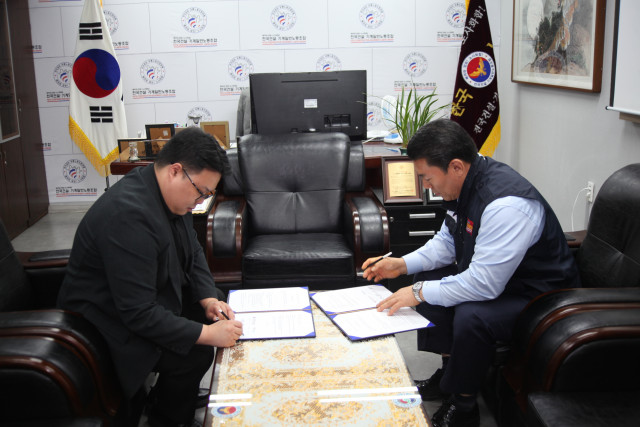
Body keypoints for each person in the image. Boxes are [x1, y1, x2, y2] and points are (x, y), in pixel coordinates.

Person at [362, 119, 580, 427]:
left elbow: (483, 286)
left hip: (540, 295)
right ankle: (448, 375)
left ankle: (463, 405)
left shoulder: (505, 205)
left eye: (427, 177)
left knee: (470, 314)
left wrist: (417, 293)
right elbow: (447, 242)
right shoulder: (465, 184)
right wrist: (402, 264)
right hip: (504, 281)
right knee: (430, 280)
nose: (426, 186)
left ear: (455, 167)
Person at [57, 127, 243, 427]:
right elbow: (138, 313)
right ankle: (167, 418)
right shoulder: (128, 215)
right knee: (195, 352)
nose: (200, 201)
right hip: (106, 324)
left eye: (207, 194)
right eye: (201, 192)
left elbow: (193, 251)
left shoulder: (168, 194)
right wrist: (207, 335)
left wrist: (209, 299)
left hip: (145, 298)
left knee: (210, 313)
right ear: (175, 171)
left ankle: (173, 398)